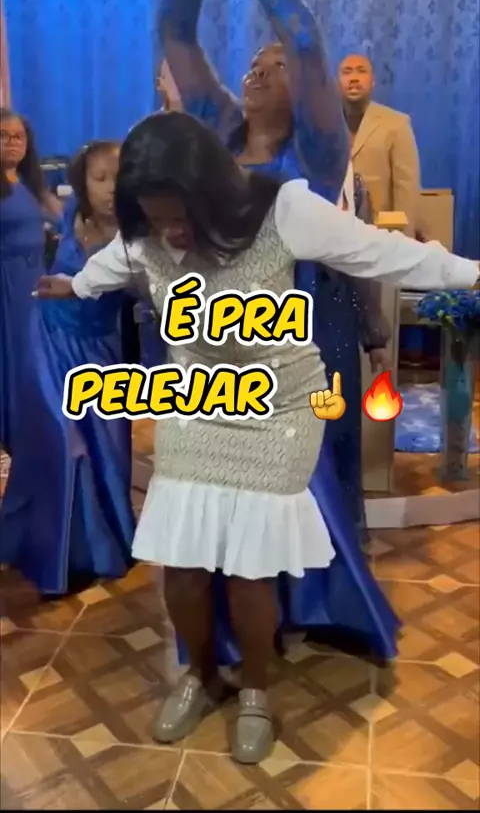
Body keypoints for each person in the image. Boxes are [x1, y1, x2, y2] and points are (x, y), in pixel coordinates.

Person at [35, 112, 479, 762]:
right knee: (182, 566)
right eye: (156, 219)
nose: (171, 231)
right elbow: (110, 264)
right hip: (196, 404)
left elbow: (382, 253)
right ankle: (201, 675)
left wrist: (470, 272)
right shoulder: (144, 233)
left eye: (180, 216)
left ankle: (255, 691)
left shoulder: (283, 211)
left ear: (211, 189)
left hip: (278, 409)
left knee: (249, 567)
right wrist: (73, 284)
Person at [158, 0, 395, 653]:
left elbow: (307, 41)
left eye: (275, 65)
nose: (258, 71)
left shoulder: (317, 149)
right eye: (252, 65)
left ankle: (311, 601)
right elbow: (177, 39)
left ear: (308, 88)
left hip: (307, 325)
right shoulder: (219, 134)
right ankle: (236, 614)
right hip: (222, 332)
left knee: (303, 469)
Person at [0, 142, 136, 596]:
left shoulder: (138, 235)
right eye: (100, 178)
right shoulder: (71, 209)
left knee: (104, 448)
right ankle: (54, 547)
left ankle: (99, 543)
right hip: (46, 339)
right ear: (82, 182)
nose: (111, 188)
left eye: (120, 177)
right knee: (59, 439)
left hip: (99, 349)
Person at [0, 107, 62, 457]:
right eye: (3, 135)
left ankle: (25, 430)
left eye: (18, 136)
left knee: (30, 356)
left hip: (34, 279)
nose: (12, 142)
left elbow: (61, 218)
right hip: (6, 282)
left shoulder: (29, 184)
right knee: (11, 354)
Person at [338, 53, 421, 235]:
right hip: (335, 235)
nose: (354, 78)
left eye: (361, 71)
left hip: (380, 235)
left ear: (373, 81)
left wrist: (403, 241)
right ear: (337, 81)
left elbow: (406, 189)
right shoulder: (325, 124)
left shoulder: (396, 124)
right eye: (347, 72)